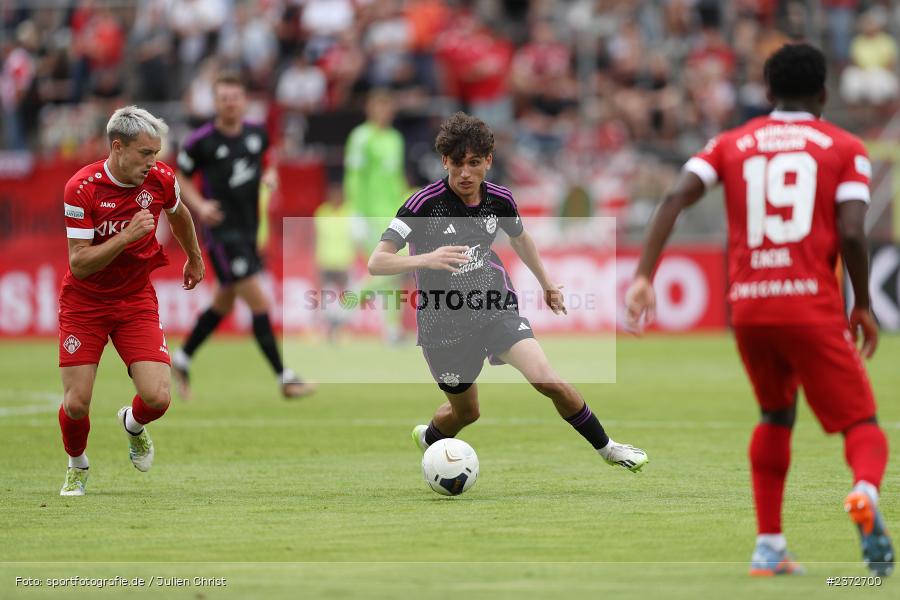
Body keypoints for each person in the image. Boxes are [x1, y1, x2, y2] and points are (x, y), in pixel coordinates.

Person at [625, 43, 893, 577]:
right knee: (862, 421)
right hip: (809, 304)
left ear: (767, 92)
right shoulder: (845, 146)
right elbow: (853, 232)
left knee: (776, 414)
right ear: (823, 94)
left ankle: (769, 546)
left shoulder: (731, 142)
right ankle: (864, 491)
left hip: (747, 306)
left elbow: (675, 196)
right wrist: (861, 304)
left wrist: (643, 275)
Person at [368, 112, 648, 473]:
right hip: (443, 325)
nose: (465, 173)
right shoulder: (422, 205)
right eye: (457, 163)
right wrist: (429, 258)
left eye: (473, 163)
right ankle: (431, 439)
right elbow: (378, 262)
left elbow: (520, 237)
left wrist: (547, 283)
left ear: (488, 161)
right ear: (444, 161)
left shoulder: (499, 199)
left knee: (547, 379)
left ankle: (608, 448)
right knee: (466, 413)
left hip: (493, 306)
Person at [59, 106, 205, 496]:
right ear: (118, 147)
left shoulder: (159, 179)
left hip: (134, 299)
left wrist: (194, 256)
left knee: (158, 398)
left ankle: (133, 424)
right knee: (76, 404)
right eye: (145, 153)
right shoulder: (82, 187)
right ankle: (77, 464)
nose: (153, 162)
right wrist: (124, 237)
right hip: (85, 303)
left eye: (156, 153)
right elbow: (80, 263)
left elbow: (179, 214)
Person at [172, 72, 314, 400]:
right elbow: (181, 177)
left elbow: (269, 163)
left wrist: (271, 177)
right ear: (215, 102)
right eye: (224, 98)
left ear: (244, 100)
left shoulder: (256, 134)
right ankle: (284, 377)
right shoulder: (201, 141)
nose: (230, 103)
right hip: (221, 233)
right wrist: (200, 205)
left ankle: (182, 357)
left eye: (235, 97)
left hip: (249, 231)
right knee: (259, 301)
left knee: (223, 302)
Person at [344, 89, 408, 342]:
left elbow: (397, 177)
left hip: (392, 215)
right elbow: (354, 176)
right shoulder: (361, 137)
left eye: (388, 107)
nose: (384, 112)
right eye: (379, 107)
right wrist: (356, 212)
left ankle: (391, 330)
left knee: (395, 273)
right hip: (370, 215)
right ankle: (347, 305)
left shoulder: (395, 138)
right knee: (389, 270)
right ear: (370, 109)